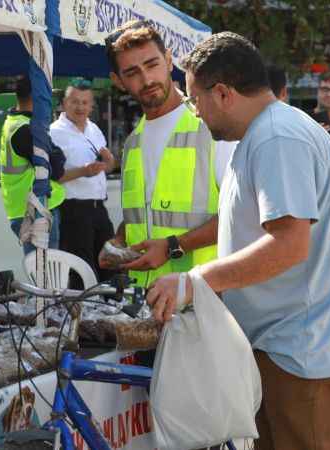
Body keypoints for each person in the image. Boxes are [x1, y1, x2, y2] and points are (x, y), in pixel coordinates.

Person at [148, 32, 330, 450]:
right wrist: (176, 246)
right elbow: (246, 222)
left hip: (303, 360)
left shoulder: (276, 139)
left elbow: (289, 244)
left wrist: (195, 281)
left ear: (224, 93)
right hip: (286, 354)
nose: (195, 112)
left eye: (195, 99)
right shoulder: (263, 135)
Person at [99, 20, 235, 290]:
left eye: (152, 65)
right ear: (118, 81)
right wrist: (118, 241)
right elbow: (148, 211)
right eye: (133, 72)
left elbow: (239, 215)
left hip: (203, 297)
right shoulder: (133, 142)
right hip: (146, 300)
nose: (147, 79)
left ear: (169, 60)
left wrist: (173, 246)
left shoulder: (210, 127)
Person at [50, 78, 116, 287]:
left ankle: (112, 314)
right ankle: (83, 316)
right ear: (64, 103)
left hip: (98, 208)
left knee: (111, 264)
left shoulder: (93, 128)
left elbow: (110, 162)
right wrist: (83, 172)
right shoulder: (54, 132)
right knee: (82, 270)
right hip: (74, 209)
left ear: (91, 105)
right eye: (75, 101)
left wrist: (107, 162)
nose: (80, 107)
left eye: (85, 102)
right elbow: (54, 176)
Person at [0, 75, 66, 254]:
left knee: (41, 272)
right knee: (47, 275)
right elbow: (58, 168)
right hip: (36, 211)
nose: (49, 101)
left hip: (25, 209)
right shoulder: (26, 130)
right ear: (37, 96)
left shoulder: (13, 122)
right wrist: (55, 149)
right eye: (47, 96)